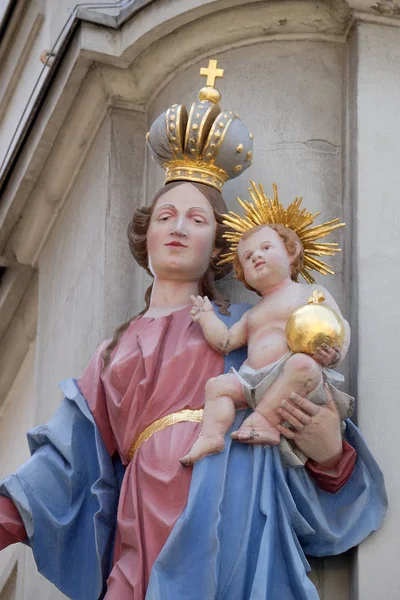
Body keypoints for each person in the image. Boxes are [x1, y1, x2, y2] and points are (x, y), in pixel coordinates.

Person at [0, 62, 387, 600]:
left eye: (197, 219)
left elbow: (311, 402)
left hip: (229, 492)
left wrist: (328, 453)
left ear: (217, 245)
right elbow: (67, 457)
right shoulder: (114, 349)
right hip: (141, 512)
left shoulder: (243, 330)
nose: (179, 227)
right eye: (165, 217)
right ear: (146, 235)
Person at [181, 183, 353, 467]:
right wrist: (206, 317)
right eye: (248, 257)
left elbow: (338, 325)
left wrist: (333, 354)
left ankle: (263, 422)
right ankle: (211, 434)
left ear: (291, 252)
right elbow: (225, 342)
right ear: (245, 276)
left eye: (265, 247)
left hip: (289, 376)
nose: (256, 256)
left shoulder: (308, 292)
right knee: (217, 385)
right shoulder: (253, 314)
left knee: (305, 366)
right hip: (251, 379)